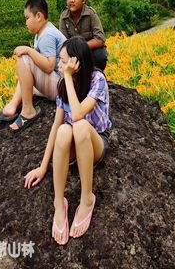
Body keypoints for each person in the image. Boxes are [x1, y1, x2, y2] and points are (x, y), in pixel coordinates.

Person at [23, 37, 112, 245]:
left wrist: (69, 79)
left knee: (79, 125)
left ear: (75, 63)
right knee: (64, 129)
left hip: (96, 141)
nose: (58, 65)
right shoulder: (64, 83)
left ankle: (87, 199)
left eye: (63, 61)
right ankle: (58, 202)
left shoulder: (97, 79)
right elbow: (55, 126)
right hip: (73, 142)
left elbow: (79, 114)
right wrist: (42, 166)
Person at [0, 0, 66, 131]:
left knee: (24, 60)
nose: (25, 23)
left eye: (27, 18)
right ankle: (13, 104)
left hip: (62, 86)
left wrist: (28, 50)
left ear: (38, 16)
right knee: (25, 76)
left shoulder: (47, 35)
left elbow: (49, 66)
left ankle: (28, 111)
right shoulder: (42, 32)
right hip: (57, 82)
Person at [59, 0, 108, 71]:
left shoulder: (90, 14)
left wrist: (81, 47)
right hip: (73, 54)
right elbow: (63, 42)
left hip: (90, 52)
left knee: (100, 55)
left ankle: (97, 77)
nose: (72, 0)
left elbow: (100, 39)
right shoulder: (64, 17)